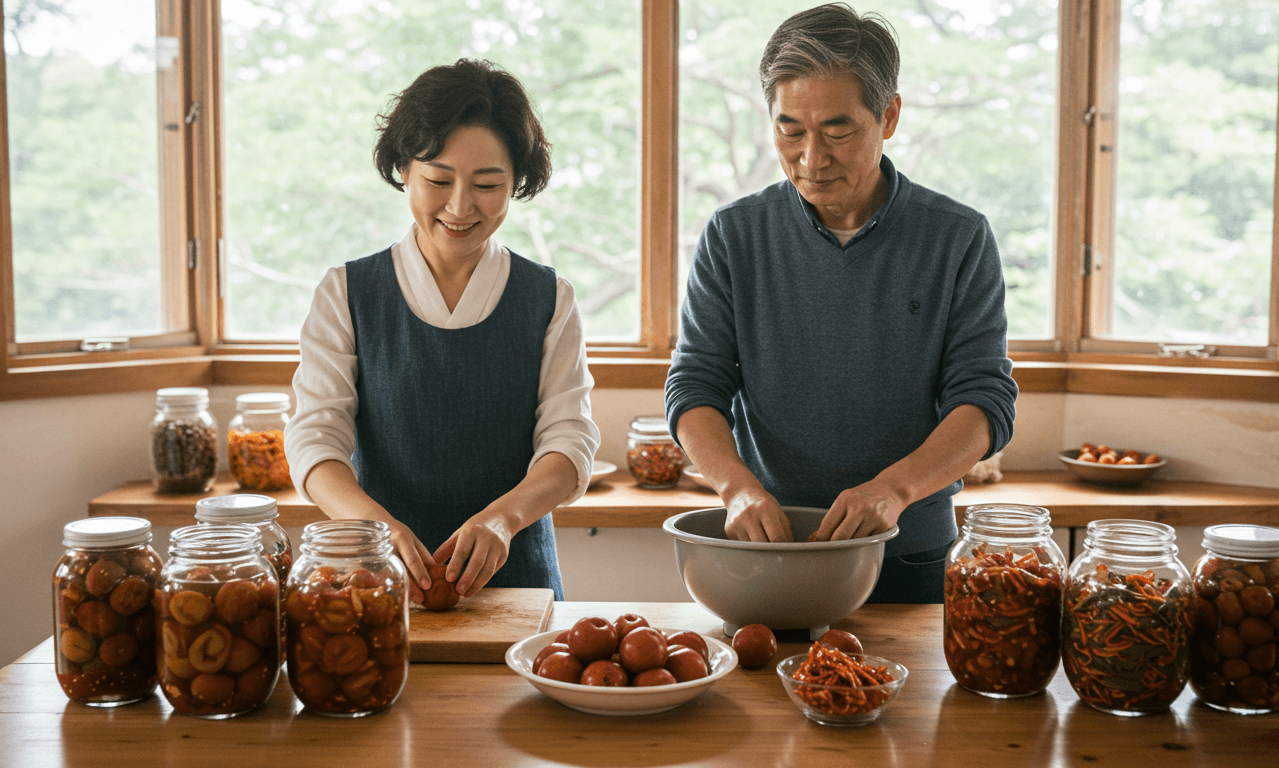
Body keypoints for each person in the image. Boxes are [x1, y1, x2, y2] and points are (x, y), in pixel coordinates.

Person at [664, 3, 1017, 604]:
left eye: (837, 129)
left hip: (908, 548)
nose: (811, 158)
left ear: (890, 115)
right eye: (790, 130)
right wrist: (736, 488)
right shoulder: (733, 235)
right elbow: (695, 384)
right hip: (770, 545)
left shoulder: (957, 237)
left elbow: (984, 401)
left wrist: (895, 488)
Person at [286, 59, 599, 604]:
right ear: (404, 170)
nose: (460, 206)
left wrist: (503, 520)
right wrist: (376, 531)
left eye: (487, 184)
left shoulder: (549, 297)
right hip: (377, 582)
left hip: (520, 588)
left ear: (516, 184)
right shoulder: (346, 293)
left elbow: (569, 442)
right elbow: (316, 440)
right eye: (437, 179)